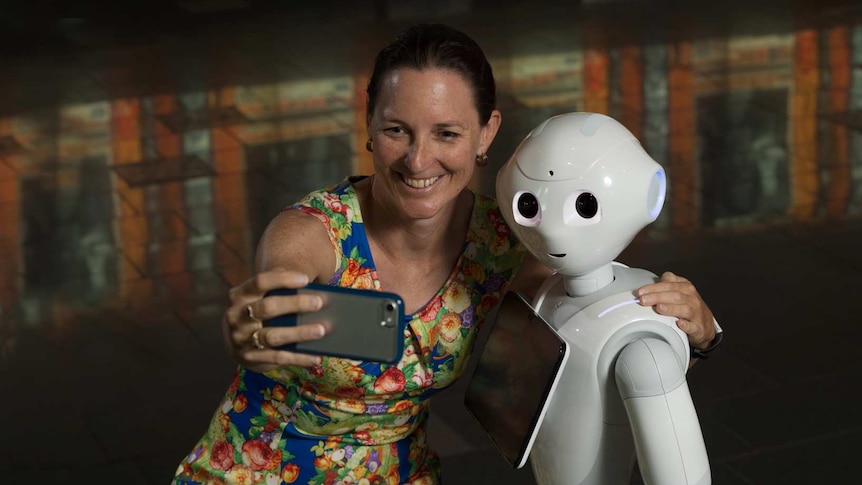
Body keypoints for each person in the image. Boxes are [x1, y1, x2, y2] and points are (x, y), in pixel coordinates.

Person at [172, 23, 718, 485]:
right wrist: (251, 325)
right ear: (369, 128)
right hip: (256, 472)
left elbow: (581, 349)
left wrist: (689, 331)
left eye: (447, 133)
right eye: (396, 130)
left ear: (486, 134)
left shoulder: (502, 245)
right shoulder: (314, 232)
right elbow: (274, 288)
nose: (418, 159)